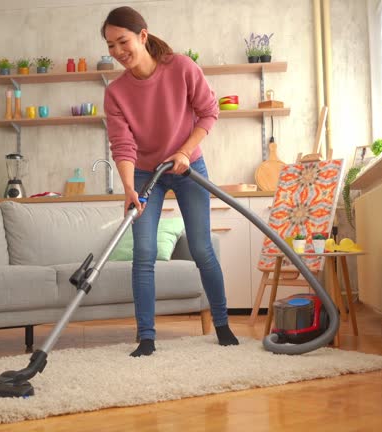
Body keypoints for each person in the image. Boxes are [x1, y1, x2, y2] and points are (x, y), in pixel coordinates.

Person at [101, 6, 239, 357]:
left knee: (201, 248)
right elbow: (123, 145)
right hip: (148, 174)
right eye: (110, 46)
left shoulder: (181, 68)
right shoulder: (116, 92)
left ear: (143, 36)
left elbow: (209, 111)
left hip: (188, 166)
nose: (118, 52)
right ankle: (146, 338)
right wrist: (130, 188)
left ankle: (222, 325)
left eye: (123, 42)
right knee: (143, 254)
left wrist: (183, 151)